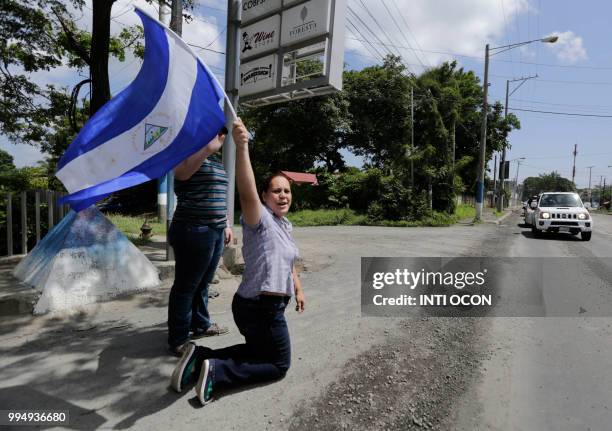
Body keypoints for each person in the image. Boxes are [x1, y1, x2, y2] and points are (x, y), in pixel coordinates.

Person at [170, 118, 306, 404]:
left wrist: (298, 287)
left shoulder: (285, 225)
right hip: (261, 308)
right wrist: (242, 147)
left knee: (257, 352)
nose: (283, 196)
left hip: (261, 303)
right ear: (265, 197)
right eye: (276, 191)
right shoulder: (261, 220)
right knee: (278, 365)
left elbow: (288, 259)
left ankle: (201, 358)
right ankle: (218, 373)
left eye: (287, 191)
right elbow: (246, 191)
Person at [167, 126, 233, 356]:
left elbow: (217, 192)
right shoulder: (185, 153)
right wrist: (207, 147)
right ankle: (178, 339)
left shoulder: (214, 160)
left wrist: (225, 222)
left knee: (203, 283)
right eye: (216, 132)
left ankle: (201, 324)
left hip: (214, 230)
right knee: (186, 287)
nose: (220, 137)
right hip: (192, 229)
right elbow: (181, 175)